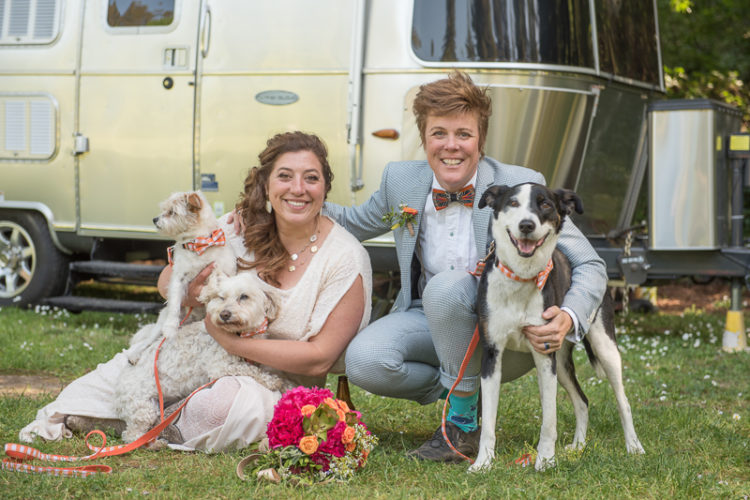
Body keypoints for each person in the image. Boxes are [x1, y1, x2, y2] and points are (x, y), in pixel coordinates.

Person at [19, 131, 372, 452]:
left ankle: (156, 422)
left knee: (223, 406)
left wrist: (232, 343)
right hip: (189, 360)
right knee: (75, 398)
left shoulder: (345, 258)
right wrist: (191, 293)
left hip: (272, 383)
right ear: (266, 185)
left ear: (325, 188)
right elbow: (166, 280)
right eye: (284, 176)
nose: (298, 188)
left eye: (311, 178)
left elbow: (320, 357)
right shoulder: (234, 230)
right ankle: (148, 414)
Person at [324, 71, 608, 463]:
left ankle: (461, 423)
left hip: (510, 329)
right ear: (424, 138)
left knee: (447, 287)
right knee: (364, 362)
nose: (451, 146)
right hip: (427, 317)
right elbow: (354, 222)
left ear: (481, 140)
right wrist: (290, 201)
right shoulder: (401, 181)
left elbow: (589, 262)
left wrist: (569, 317)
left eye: (464, 134)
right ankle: (466, 393)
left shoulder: (520, 184)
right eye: (439, 133)